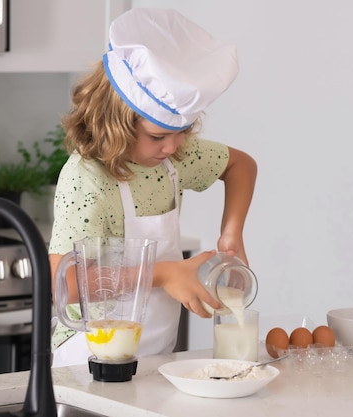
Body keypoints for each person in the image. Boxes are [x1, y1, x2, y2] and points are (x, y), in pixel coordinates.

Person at [49, 8, 257, 367]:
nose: (173, 148)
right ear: (115, 122)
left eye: (182, 133)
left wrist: (231, 234)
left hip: (153, 358)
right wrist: (163, 274)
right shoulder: (87, 179)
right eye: (158, 136)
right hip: (89, 359)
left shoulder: (171, 159)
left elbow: (241, 165)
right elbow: (64, 284)